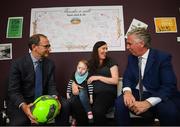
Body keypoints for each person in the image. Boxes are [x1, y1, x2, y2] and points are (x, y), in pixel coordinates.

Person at [115, 27, 180, 125]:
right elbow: (127, 77)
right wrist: (127, 92)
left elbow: (169, 85)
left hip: (157, 93)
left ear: (141, 43)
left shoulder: (162, 57)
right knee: (120, 102)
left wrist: (148, 103)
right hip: (138, 93)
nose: (127, 47)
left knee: (169, 111)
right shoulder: (131, 58)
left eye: (129, 44)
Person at [7, 34, 70, 125]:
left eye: (49, 46)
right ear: (34, 47)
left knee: (65, 105)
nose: (50, 49)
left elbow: (51, 85)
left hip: (43, 99)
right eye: (46, 46)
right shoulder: (18, 64)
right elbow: (13, 91)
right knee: (20, 122)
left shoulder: (50, 64)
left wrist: (55, 98)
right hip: (24, 101)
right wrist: (24, 106)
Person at [71, 41, 119, 125]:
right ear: (96, 50)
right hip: (91, 93)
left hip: (106, 93)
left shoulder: (111, 61)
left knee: (97, 111)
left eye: (106, 48)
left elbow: (115, 80)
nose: (106, 51)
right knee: (77, 105)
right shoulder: (90, 63)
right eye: (103, 48)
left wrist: (98, 77)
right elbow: (77, 75)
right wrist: (73, 84)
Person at [66, 59, 94, 125]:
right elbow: (70, 83)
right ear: (77, 67)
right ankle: (73, 119)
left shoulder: (88, 75)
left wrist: (91, 97)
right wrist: (67, 93)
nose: (80, 70)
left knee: (82, 92)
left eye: (83, 69)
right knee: (72, 100)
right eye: (79, 68)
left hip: (84, 93)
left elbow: (90, 87)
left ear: (87, 69)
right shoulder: (74, 74)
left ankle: (89, 111)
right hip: (74, 93)